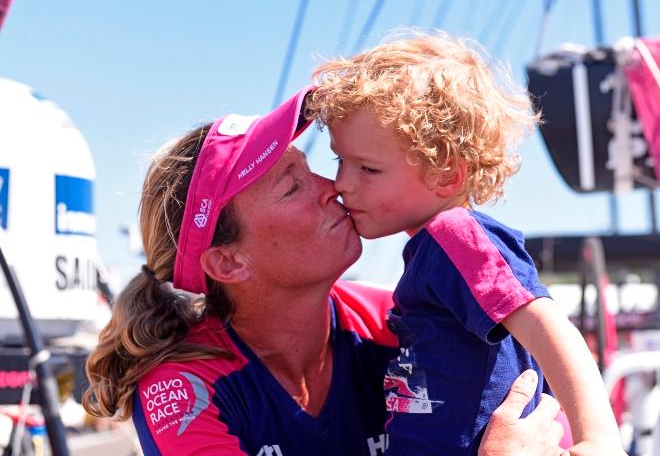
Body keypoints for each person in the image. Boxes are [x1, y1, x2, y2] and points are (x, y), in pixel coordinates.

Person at [82, 87, 566, 455]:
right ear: (228, 261)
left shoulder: (401, 319)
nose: (332, 186)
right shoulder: (186, 390)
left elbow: (540, 413)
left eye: (313, 166)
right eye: (292, 186)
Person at [305, 31, 623, 455]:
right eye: (340, 161)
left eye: (368, 169)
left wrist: (598, 440)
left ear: (446, 175)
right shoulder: (432, 251)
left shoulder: (456, 236)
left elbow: (550, 327)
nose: (343, 183)